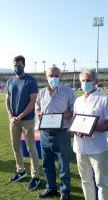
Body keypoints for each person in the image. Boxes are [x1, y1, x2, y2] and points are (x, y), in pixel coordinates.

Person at [36, 66, 76, 200]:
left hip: (61, 134)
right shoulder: (41, 92)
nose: (53, 77)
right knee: (47, 164)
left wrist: (61, 116)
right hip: (45, 134)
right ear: (46, 76)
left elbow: (74, 112)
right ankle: (51, 188)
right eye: (51, 75)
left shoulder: (68, 92)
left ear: (60, 76)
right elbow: (37, 108)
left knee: (63, 165)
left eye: (56, 75)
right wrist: (39, 113)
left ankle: (65, 193)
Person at [73, 69, 108, 200]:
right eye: (83, 80)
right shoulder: (78, 100)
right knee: (85, 180)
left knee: (102, 182)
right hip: (79, 147)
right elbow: (75, 121)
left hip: (98, 148)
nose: (85, 83)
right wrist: (76, 129)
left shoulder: (105, 99)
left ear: (95, 81)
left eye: (88, 80)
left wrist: (92, 127)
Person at [5, 55, 40, 190]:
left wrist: (20, 115)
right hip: (13, 120)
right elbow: (7, 100)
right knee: (16, 147)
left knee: (31, 148)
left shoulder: (30, 81)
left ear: (24, 65)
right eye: (15, 65)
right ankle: (21, 171)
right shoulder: (10, 81)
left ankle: (35, 176)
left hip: (27, 120)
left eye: (19, 65)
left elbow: (33, 101)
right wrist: (11, 116)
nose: (17, 68)